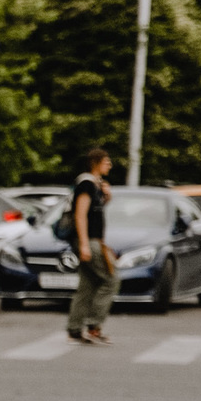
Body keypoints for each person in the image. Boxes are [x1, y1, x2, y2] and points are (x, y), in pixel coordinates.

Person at [67, 146, 116, 345]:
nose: (110, 165)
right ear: (95, 163)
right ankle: (94, 326)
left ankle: (75, 329)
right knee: (111, 279)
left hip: (94, 241)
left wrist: (107, 197)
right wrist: (85, 245)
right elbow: (80, 215)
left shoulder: (96, 185)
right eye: (106, 162)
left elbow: (94, 214)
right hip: (88, 241)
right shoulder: (85, 184)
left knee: (86, 286)